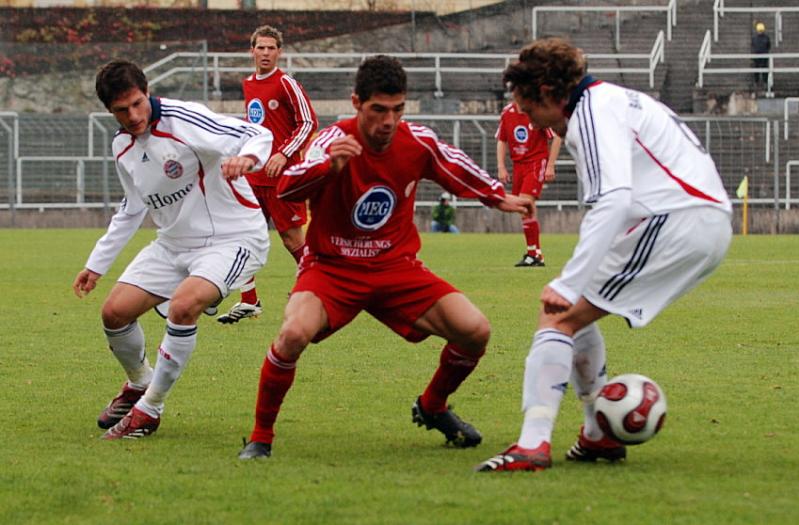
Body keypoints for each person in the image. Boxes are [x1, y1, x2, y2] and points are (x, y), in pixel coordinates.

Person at [237, 55, 534, 460]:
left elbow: (453, 164)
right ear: (356, 103)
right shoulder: (331, 141)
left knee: (475, 330)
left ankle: (432, 406)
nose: (389, 121)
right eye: (379, 110)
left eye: (398, 110)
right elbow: (286, 185)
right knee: (292, 335)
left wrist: (498, 197)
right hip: (332, 268)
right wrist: (328, 167)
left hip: (396, 267)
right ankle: (260, 437)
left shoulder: (416, 141)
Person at [476, 37, 732, 472]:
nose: (531, 121)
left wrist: (569, 281)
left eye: (529, 108)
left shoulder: (591, 112)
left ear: (548, 94)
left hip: (676, 221)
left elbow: (614, 198)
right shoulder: (610, 100)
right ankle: (598, 436)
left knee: (557, 315)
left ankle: (533, 444)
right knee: (574, 315)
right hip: (693, 219)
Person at [73, 60, 273, 440]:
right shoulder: (122, 146)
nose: (133, 116)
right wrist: (96, 264)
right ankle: (139, 382)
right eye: (121, 110)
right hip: (173, 243)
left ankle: (150, 409)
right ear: (109, 111)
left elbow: (255, 132)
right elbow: (132, 207)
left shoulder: (184, 119)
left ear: (147, 92)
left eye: (137, 104)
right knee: (114, 313)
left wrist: (247, 158)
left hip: (232, 238)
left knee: (183, 307)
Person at [216, 24, 318, 324]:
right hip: (254, 178)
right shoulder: (248, 84)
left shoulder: (286, 83)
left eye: (271, 48)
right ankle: (249, 300)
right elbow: (255, 127)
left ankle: (318, 288)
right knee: (241, 234)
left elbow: (308, 122)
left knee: (291, 239)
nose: (265, 52)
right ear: (252, 51)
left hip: (283, 177)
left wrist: (283, 153)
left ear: (279, 52)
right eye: (260, 47)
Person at [496, 99, 561, 267]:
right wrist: (501, 167)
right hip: (518, 165)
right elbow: (502, 140)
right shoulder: (507, 112)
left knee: (525, 204)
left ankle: (534, 255)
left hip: (536, 163)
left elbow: (557, 136)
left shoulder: (537, 110)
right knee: (524, 209)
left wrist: (550, 165)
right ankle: (534, 253)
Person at [751, 22, 771, 88]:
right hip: (764, 55)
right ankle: (765, 82)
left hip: (756, 55)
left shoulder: (754, 38)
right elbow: (768, 46)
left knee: (756, 69)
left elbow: (753, 46)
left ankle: (756, 82)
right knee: (764, 69)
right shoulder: (766, 37)